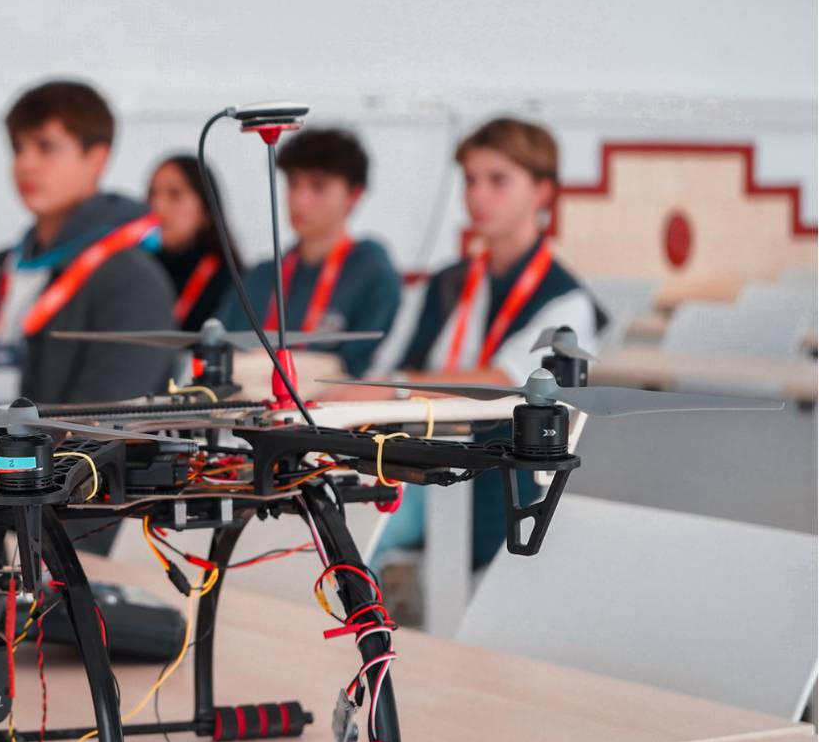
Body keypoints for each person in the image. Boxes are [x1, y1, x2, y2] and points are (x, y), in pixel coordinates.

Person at [381, 116, 603, 571]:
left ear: (543, 192)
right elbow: (394, 364)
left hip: (493, 486)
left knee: (347, 526)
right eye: (471, 180)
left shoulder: (567, 303)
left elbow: (504, 384)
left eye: (497, 180)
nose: (477, 195)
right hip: (417, 464)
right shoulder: (446, 281)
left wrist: (395, 386)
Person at [0, 79, 177, 408]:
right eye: (18, 148)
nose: (26, 164)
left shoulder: (131, 280)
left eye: (45, 147)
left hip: (39, 458)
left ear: (97, 159)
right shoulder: (13, 264)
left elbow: (101, 422)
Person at [217, 128, 401, 377]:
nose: (299, 200)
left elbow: (362, 366)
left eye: (318, 186)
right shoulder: (262, 276)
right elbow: (219, 348)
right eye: (293, 183)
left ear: (353, 195)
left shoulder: (372, 272)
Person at [146, 154, 239, 332]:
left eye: (175, 195)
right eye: (152, 194)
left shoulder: (231, 283)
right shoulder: (137, 270)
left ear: (207, 210)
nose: (158, 206)